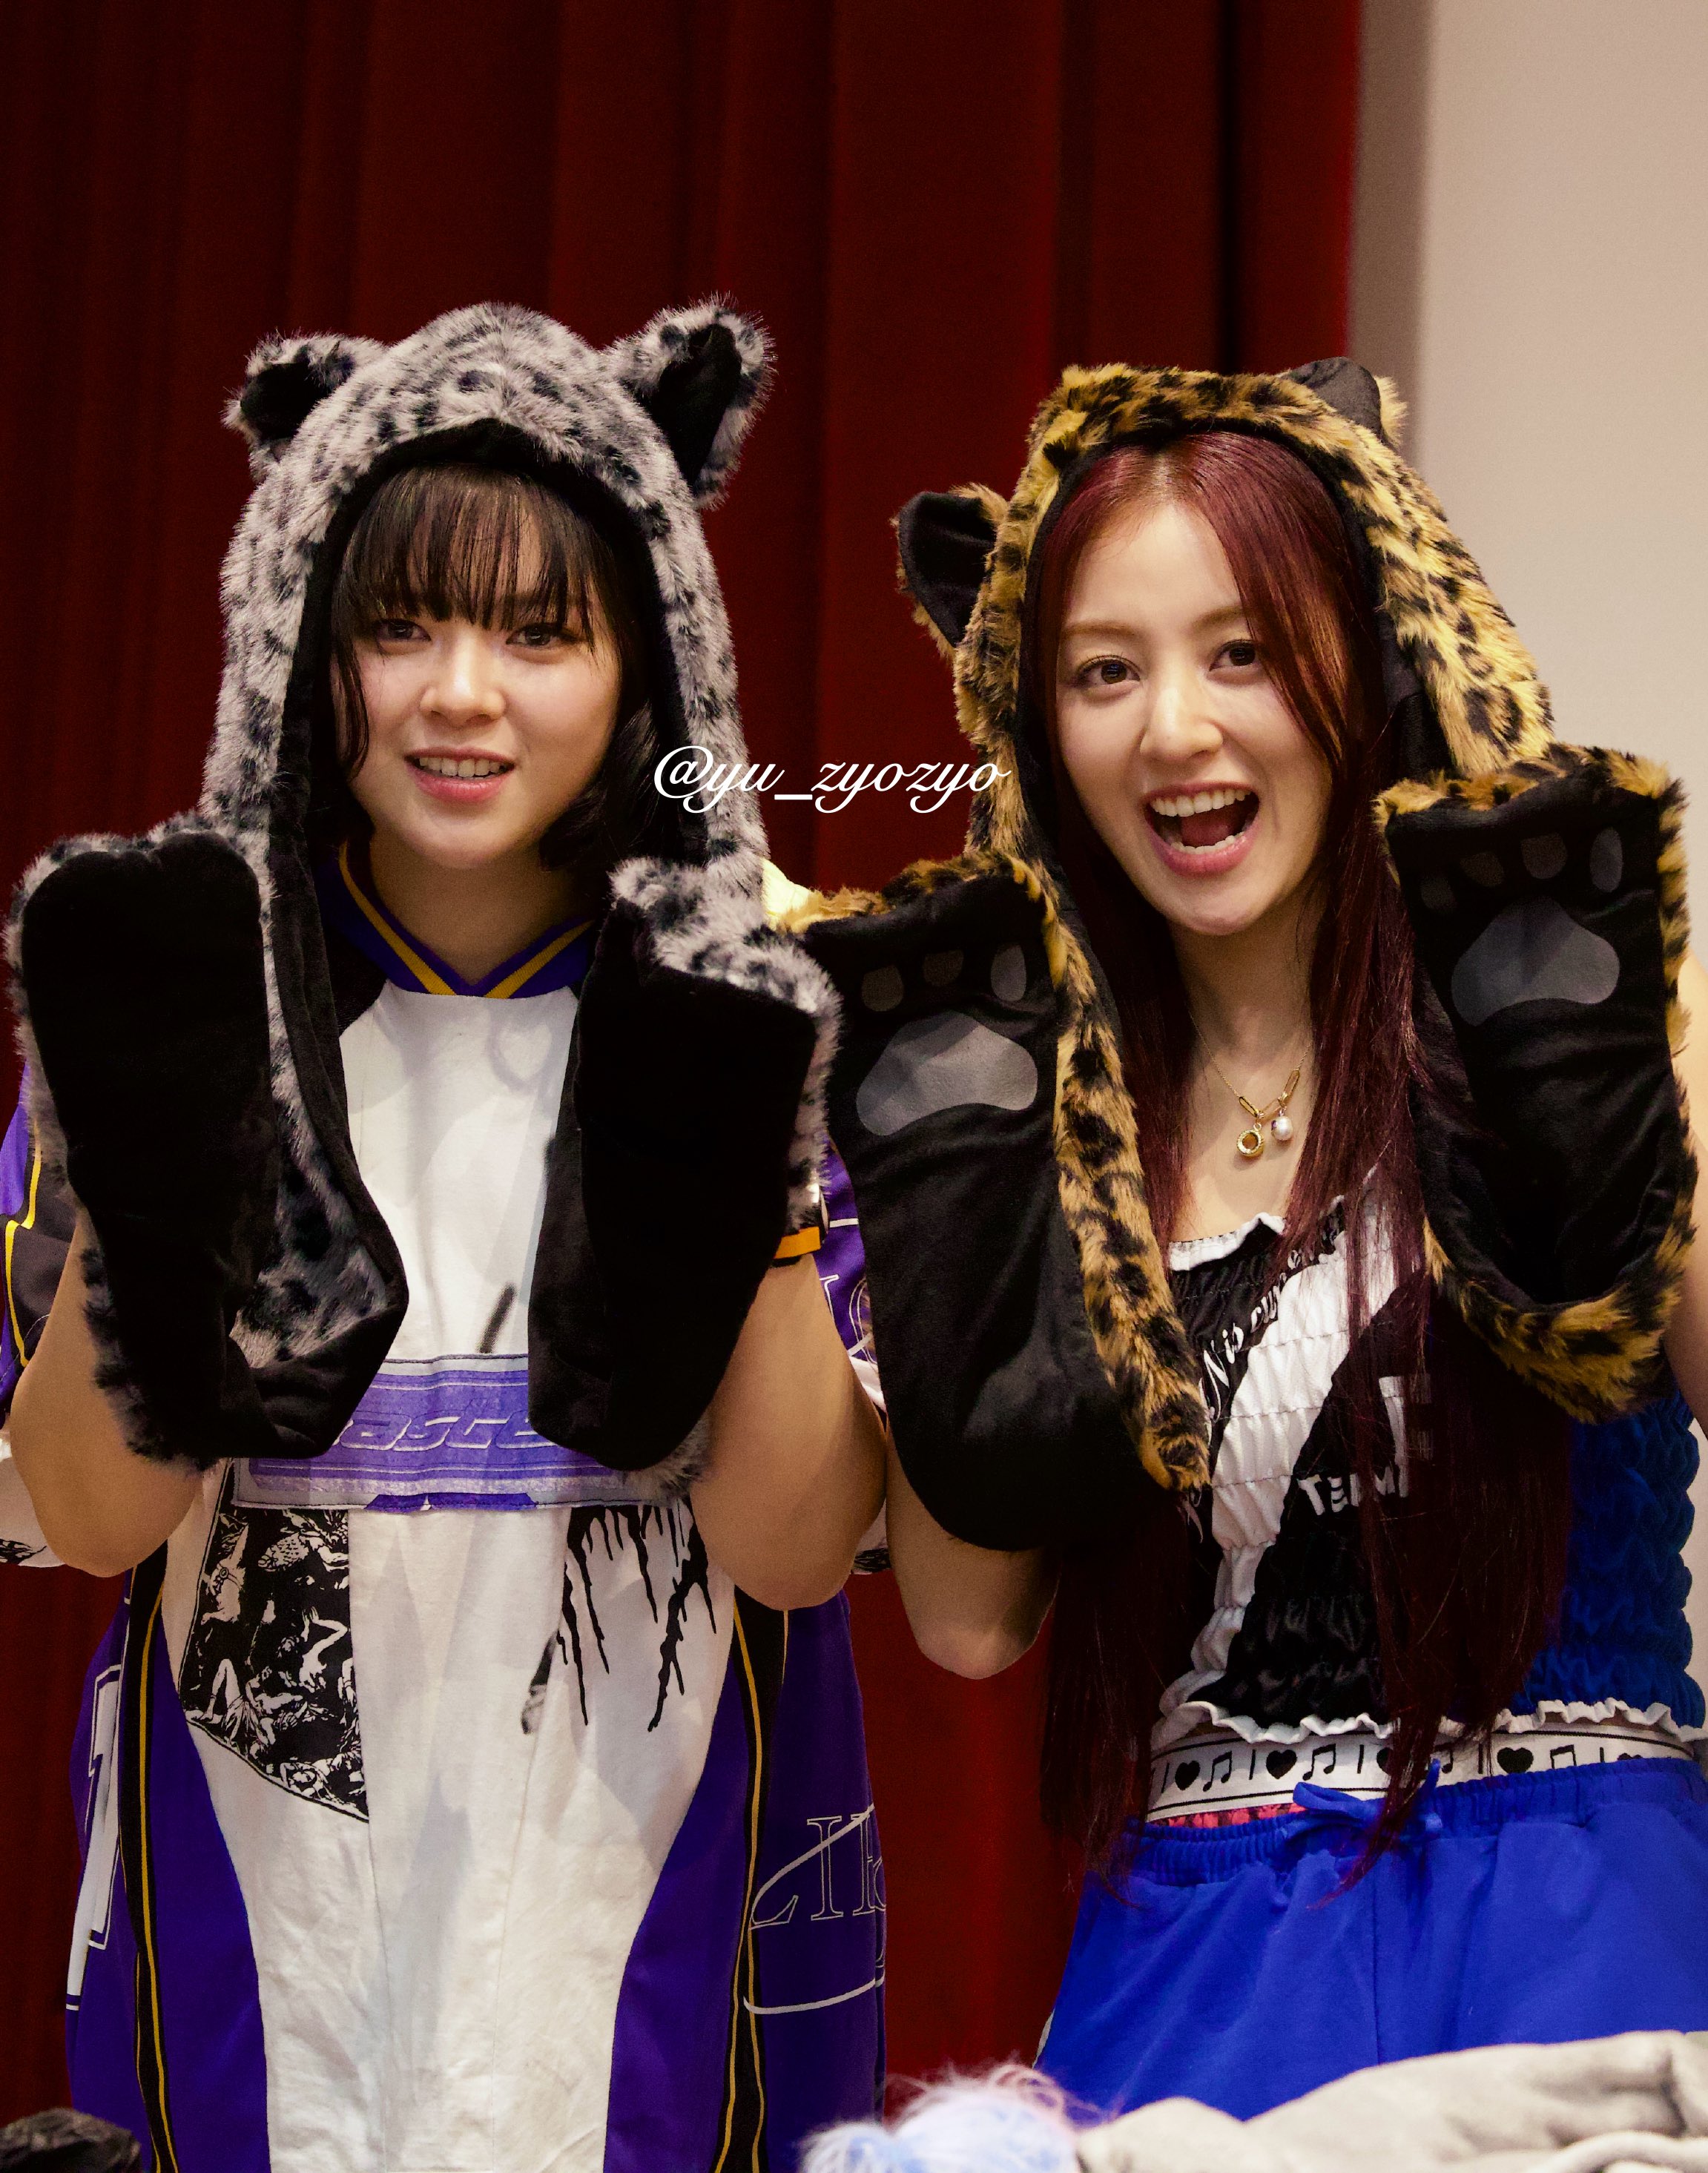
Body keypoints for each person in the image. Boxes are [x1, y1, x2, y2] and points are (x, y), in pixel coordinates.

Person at [0, 303, 888, 2173]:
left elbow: (795, 1549)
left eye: (540, 634)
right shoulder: (182, 1000)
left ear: (649, 660)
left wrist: (758, 1127)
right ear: (301, 642)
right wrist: (144, 1142)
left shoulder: (762, 1011)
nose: (460, 694)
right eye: (398, 625)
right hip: (256, 1970)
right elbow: (88, 1518)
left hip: (647, 1970)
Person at [791, 358, 1708, 2117]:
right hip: (1199, 1990)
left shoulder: (1574, 1004)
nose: (1174, 730)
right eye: (1103, 673)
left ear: (1373, 658)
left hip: (1580, 1935)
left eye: (1244, 652)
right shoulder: (1040, 1120)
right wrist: (935, 1195)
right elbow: (972, 1622)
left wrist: (1616, 1060)